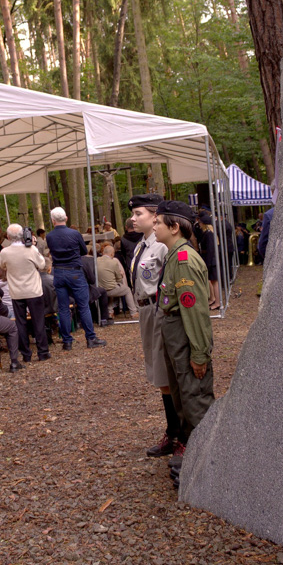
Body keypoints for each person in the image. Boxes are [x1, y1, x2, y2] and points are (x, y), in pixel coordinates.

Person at [154, 201, 215, 488]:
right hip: (175, 332)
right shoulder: (173, 256)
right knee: (182, 396)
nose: (154, 226)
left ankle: (212, 462)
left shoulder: (184, 261)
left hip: (185, 332)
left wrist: (200, 354)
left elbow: (195, 311)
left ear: (174, 227)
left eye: (158, 222)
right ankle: (194, 457)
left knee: (195, 397)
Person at [128, 193, 182, 458]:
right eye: (134, 214)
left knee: (165, 374)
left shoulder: (161, 246)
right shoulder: (142, 245)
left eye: (139, 214)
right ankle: (173, 432)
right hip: (146, 309)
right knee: (159, 375)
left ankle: (177, 434)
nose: (133, 218)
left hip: (158, 308)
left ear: (154, 216)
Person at [45, 207, 106, 351]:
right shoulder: (74, 233)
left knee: (63, 308)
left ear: (53, 220)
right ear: (66, 218)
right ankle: (90, 338)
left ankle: (67, 341)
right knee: (83, 306)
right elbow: (84, 251)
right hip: (74, 271)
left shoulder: (49, 236)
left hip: (58, 272)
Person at [0, 224, 50, 362]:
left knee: (21, 323)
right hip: (33, 290)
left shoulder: (5, 252)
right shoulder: (31, 250)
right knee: (38, 321)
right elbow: (42, 265)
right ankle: (42, 351)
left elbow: (2, 265)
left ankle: (26, 354)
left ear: (8, 237)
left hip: (16, 291)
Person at [97, 244, 138, 319]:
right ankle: (133, 312)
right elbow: (119, 279)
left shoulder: (96, 260)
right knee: (127, 290)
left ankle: (110, 311)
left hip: (99, 288)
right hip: (110, 288)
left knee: (112, 287)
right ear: (112, 254)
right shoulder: (113, 262)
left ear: (103, 252)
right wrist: (121, 274)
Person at [197, 213, 220, 310]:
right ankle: (213, 298)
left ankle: (218, 302)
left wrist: (209, 262)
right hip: (209, 258)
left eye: (201, 223)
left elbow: (210, 249)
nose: (200, 225)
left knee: (214, 282)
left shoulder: (209, 234)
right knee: (212, 281)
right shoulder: (207, 233)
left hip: (211, 260)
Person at [118, 217, 142, 289]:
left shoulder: (123, 239)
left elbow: (123, 254)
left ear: (126, 227)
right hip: (143, 263)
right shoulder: (143, 236)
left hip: (130, 264)